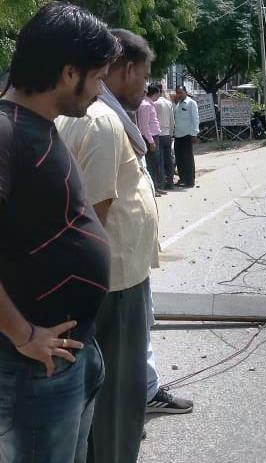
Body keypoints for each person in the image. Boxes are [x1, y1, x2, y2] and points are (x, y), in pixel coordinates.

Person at [0, 3, 120, 462]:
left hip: (72, 354)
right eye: (98, 78)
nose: (100, 90)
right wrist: (23, 334)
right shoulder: (6, 132)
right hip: (33, 366)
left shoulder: (42, 127)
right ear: (70, 72)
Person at [57, 29, 159, 463]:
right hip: (112, 285)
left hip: (113, 280)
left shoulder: (99, 117)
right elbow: (91, 219)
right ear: (127, 70)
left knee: (104, 399)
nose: (145, 86)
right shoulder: (101, 121)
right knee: (117, 401)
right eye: (145, 75)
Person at [137, 86, 164, 196]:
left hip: (153, 136)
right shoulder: (146, 105)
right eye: (158, 94)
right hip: (150, 138)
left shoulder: (149, 104)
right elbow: (144, 126)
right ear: (155, 94)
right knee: (151, 164)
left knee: (155, 163)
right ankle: (153, 188)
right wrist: (151, 141)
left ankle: (156, 187)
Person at [173, 85, 199, 188]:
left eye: (181, 92)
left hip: (187, 135)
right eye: (177, 93)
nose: (179, 95)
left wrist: (194, 134)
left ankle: (190, 181)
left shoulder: (191, 103)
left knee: (187, 158)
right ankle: (182, 179)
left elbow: (195, 119)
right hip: (177, 135)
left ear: (185, 92)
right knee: (179, 158)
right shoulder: (177, 104)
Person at [152, 83, 175, 189]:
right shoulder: (168, 103)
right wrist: (171, 133)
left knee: (160, 160)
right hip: (167, 134)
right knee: (168, 159)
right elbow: (172, 120)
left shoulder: (154, 103)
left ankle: (161, 184)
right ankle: (170, 182)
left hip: (158, 135)